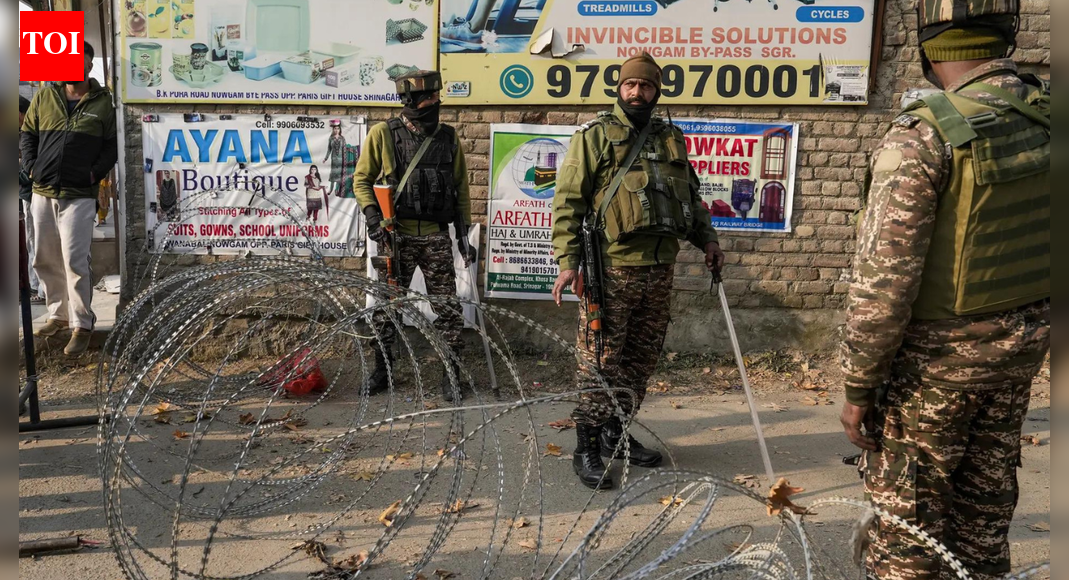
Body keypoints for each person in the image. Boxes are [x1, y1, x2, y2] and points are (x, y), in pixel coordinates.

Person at [838, 1, 1050, 578]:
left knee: (909, 538)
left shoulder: (925, 137)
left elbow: (884, 284)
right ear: (1007, 35)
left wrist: (859, 385)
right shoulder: (1045, 120)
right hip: (1016, 359)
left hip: (931, 375)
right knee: (982, 520)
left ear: (931, 46)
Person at [550, 53, 724, 490]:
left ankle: (615, 435)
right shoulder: (594, 138)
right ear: (619, 88)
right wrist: (568, 261)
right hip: (610, 272)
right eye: (631, 85)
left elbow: (692, 198)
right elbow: (569, 201)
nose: (638, 92)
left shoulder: (672, 139)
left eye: (646, 86)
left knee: (640, 361)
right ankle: (586, 448)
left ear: (656, 90)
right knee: (599, 363)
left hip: (659, 270)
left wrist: (709, 240)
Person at [353, 69, 475, 401]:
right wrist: (372, 217)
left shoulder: (449, 138)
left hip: (436, 236)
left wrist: (463, 235)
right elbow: (361, 180)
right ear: (409, 101)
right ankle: (383, 369)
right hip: (396, 236)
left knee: (448, 308)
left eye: (436, 97)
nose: (434, 103)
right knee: (386, 307)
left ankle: (451, 372)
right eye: (427, 98)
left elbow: (461, 188)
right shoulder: (384, 134)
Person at [20, 42, 118, 356]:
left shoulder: (103, 104)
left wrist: (94, 174)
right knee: (45, 258)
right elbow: (28, 134)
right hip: (43, 191)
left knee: (75, 260)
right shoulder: (45, 97)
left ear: (90, 66)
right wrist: (31, 166)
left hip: (79, 195)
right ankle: (57, 315)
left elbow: (110, 146)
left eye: (83, 63)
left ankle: (82, 323)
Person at [19, 95, 43, 304]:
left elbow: (29, 172)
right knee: (30, 243)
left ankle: (40, 289)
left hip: (35, 195)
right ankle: (34, 285)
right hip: (26, 196)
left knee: (37, 242)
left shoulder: (33, 134)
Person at [324, 121, 346, 197]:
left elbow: (344, 149)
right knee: (333, 175)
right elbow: (329, 149)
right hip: (334, 159)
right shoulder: (331, 138)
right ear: (333, 129)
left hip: (340, 159)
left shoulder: (342, 138)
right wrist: (325, 158)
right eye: (335, 128)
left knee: (339, 175)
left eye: (338, 128)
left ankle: (338, 190)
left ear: (340, 130)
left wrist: (345, 159)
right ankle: (330, 190)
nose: (337, 130)